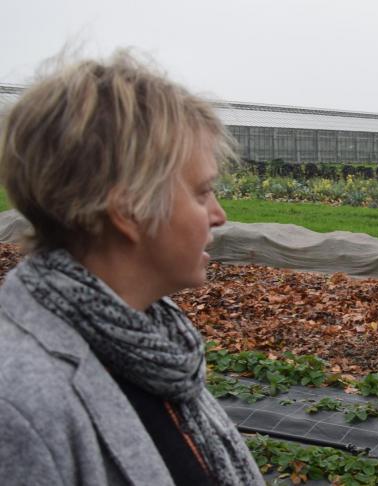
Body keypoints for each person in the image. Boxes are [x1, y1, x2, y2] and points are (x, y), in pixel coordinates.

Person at [0, 51, 264, 486]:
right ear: (129, 209)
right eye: (202, 193)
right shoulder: (21, 408)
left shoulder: (151, 349)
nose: (218, 215)